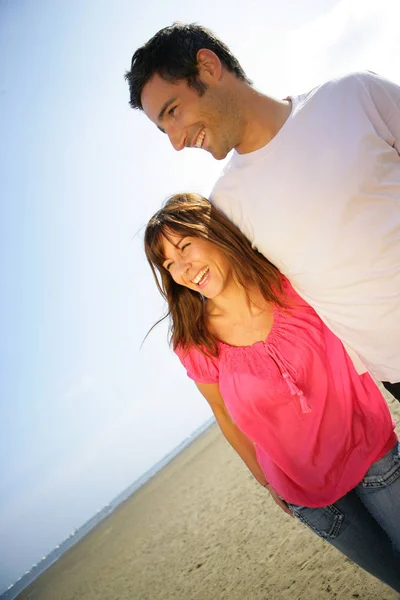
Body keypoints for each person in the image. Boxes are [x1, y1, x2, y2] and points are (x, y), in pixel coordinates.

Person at [125, 23, 400, 401]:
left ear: (207, 67)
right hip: (395, 367)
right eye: (163, 129)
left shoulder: (353, 95)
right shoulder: (226, 206)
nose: (175, 141)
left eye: (173, 111)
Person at [144, 192, 400, 592]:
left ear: (215, 231)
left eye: (184, 246)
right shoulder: (194, 342)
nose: (182, 268)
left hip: (370, 452)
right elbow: (224, 415)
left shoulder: (292, 280)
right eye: (169, 264)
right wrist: (266, 482)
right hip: (305, 494)